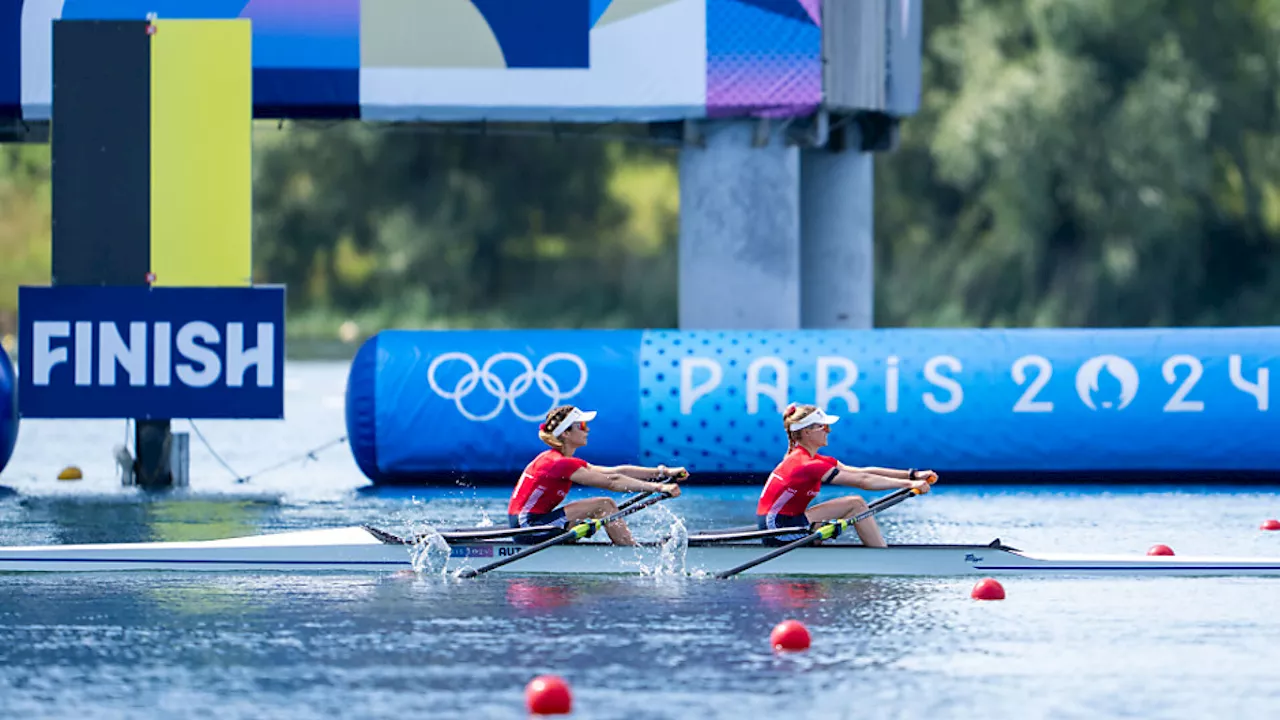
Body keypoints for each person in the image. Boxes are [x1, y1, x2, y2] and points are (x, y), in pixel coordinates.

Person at [756, 403, 937, 547]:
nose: (829, 431)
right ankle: (882, 557)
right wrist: (908, 486)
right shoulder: (807, 464)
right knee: (856, 504)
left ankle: (875, 553)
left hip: (790, 521)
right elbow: (863, 482)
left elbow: (863, 472)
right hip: (778, 530)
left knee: (854, 505)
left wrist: (912, 476)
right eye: (823, 427)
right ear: (807, 431)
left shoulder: (813, 459)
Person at [507, 404, 685, 546]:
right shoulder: (558, 463)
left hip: (534, 523)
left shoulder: (561, 460)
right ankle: (630, 551)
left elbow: (616, 472)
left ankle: (622, 546)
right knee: (605, 505)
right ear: (566, 433)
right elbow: (613, 482)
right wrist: (659, 487)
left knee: (592, 515)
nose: (588, 430)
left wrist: (664, 472)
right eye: (582, 426)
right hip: (527, 528)